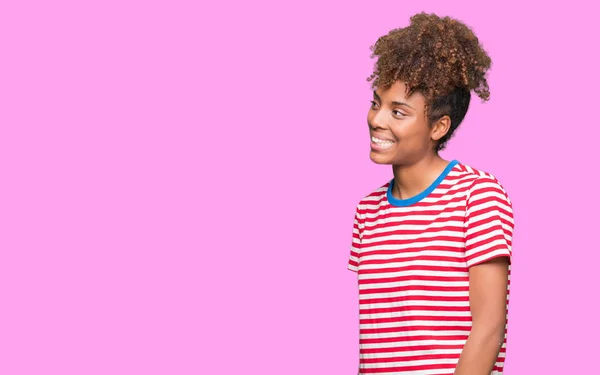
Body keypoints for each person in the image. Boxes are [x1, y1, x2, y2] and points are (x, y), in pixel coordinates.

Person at [347, 12, 515, 375]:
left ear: (439, 126)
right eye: (376, 103)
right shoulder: (367, 211)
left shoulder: (477, 195)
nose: (377, 120)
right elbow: (378, 340)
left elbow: (489, 329)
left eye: (399, 111)